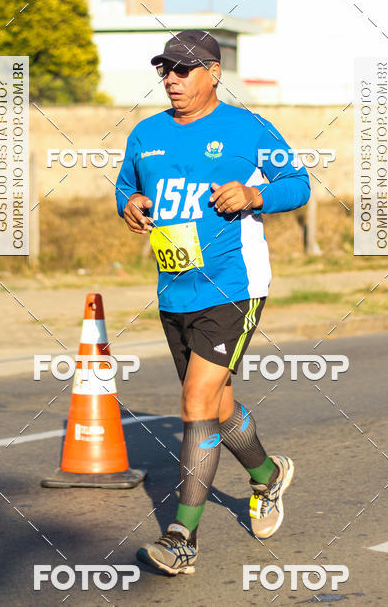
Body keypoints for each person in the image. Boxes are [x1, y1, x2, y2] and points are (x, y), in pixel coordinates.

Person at [115, 29, 310, 576]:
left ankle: (182, 539)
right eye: (165, 70)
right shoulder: (146, 134)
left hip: (235, 286)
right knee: (217, 406)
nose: (171, 79)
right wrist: (128, 204)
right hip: (175, 290)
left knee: (197, 402)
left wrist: (255, 194)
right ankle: (269, 476)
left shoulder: (248, 129)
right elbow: (123, 188)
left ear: (214, 73)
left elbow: (298, 183)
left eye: (182, 69)